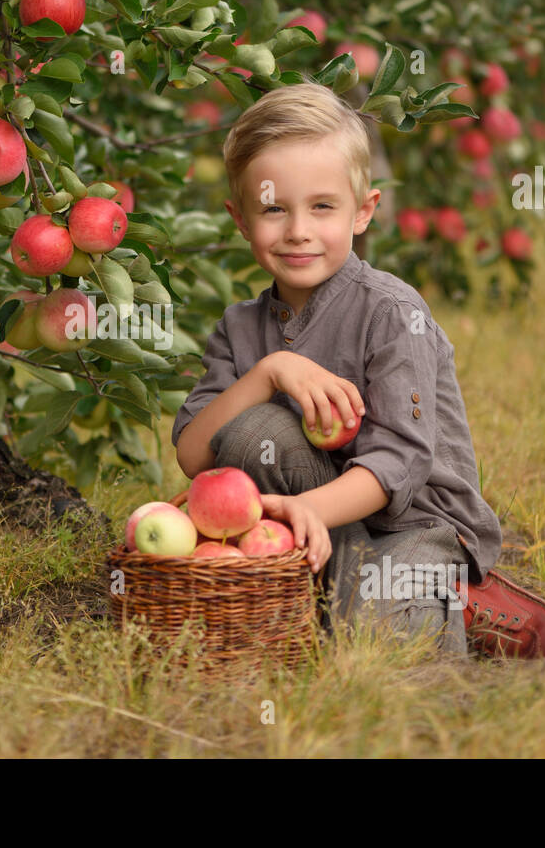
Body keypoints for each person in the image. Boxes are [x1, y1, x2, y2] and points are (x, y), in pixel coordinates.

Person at [170, 79, 501, 658]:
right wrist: (270, 371)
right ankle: (328, 596)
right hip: (301, 522)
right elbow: (196, 455)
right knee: (253, 432)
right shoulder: (242, 328)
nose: (298, 229)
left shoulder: (393, 313)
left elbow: (401, 459)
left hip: (409, 525)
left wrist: (309, 510)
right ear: (241, 219)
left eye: (322, 206)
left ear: (363, 211)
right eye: (274, 208)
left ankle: (460, 602)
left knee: (377, 660)